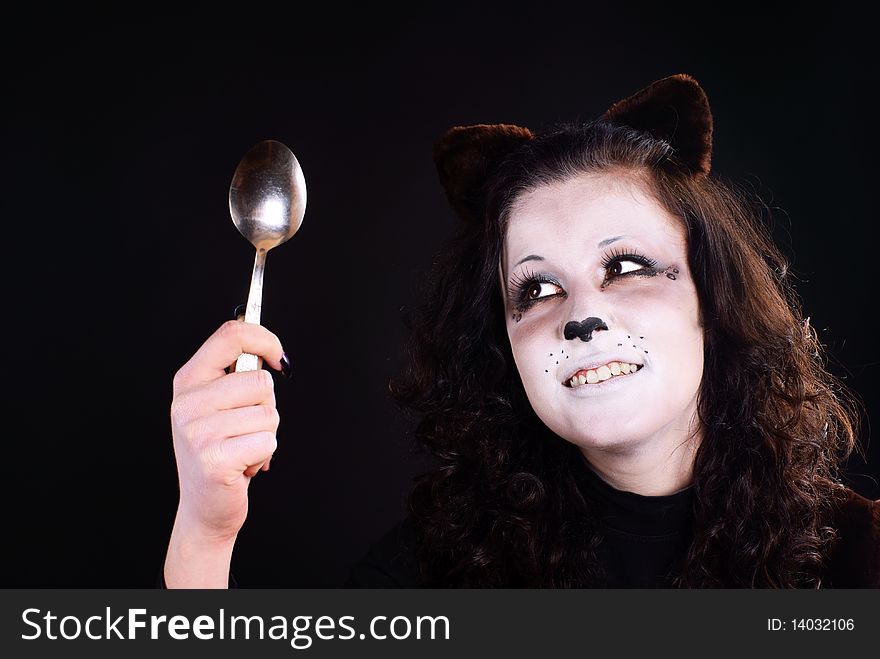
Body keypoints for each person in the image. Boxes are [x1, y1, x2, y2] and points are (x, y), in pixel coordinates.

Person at [163, 74, 879, 588]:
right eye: (535, 288)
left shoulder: (859, 561)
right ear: (503, 343)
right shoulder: (430, 578)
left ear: (712, 298)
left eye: (626, 265)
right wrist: (203, 536)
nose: (580, 315)